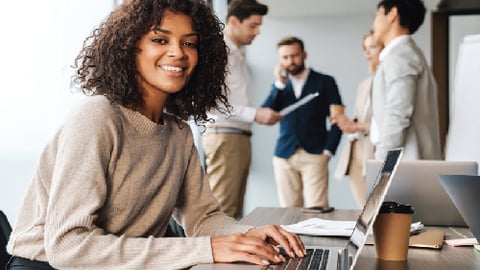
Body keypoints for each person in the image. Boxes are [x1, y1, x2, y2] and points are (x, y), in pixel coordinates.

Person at [5, 1, 306, 269]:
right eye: (160, 39)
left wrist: (247, 234)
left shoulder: (179, 133)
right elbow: (69, 247)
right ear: (129, 47)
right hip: (47, 265)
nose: (178, 52)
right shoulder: (97, 117)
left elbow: (203, 218)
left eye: (190, 43)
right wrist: (207, 248)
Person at [202, 0, 282, 219]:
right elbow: (211, 102)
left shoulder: (236, 54)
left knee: (233, 211)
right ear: (234, 21)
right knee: (222, 212)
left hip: (236, 136)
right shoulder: (220, 52)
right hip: (226, 137)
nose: (257, 32)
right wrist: (255, 114)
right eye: (253, 25)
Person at [261, 36, 343, 208]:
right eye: (285, 57)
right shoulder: (279, 86)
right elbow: (265, 113)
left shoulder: (325, 82)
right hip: (284, 155)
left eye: (294, 55)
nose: (290, 61)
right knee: (289, 212)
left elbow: (338, 118)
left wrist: (328, 151)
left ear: (304, 55)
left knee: (317, 209)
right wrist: (279, 84)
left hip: (315, 154)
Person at [369, 0, 442, 160]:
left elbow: (398, 114)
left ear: (392, 14)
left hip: (405, 164)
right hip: (408, 163)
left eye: (377, 14)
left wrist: (381, 163)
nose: (373, 21)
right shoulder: (407, 54)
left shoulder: (401, 56)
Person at [333, 31, 383, 207]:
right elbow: (359, 117)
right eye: (365, 48)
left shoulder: (389, 81)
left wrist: (358, 126)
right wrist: (348, 125)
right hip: (355, 152)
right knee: (364, 209)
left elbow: (387, 122)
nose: (367, 53)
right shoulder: (364, 84)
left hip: (375, 151)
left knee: (378, 209)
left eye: (373, 47)